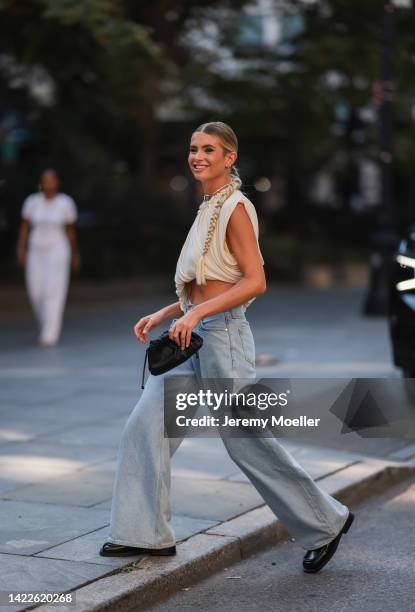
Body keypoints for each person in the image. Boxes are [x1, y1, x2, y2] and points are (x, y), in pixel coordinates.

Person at [100, 121, 354, 573]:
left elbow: (255, 280)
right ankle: (145, 535)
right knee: (146, 426)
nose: (198, 156)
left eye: (209, 149)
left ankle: (325, 522)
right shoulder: (207, 206)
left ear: (229, 158)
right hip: (191, 335)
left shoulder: (235, 207)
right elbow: (206, 282)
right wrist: (171, 312)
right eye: (194, 149)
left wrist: (195, 314)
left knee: (246, 441)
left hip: (222, 338)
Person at [16, 168, 80, 346]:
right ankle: (46, 324)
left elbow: (70, 230)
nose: (48, 183)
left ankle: (50, 333)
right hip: (36, 249)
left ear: (57, 182)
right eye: (45, 180)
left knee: (53, 290)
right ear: (41, 183)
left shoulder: (65, 202)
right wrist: (21, 249)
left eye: (52, 180)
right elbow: (25, 227)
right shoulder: (32, 202)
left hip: (58, 249)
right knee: (35, 291)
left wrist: (75, 254)